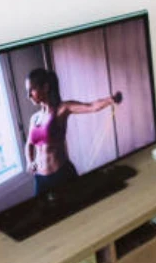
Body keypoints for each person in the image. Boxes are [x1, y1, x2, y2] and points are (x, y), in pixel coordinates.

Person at [24, 68, 123, 196]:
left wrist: (111, 99)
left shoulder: (62, 109)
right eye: (27, 91)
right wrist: (29, 162)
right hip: (40, 179)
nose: (28, 95)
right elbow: (29, 144)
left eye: (32, 89)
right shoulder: (34, 118)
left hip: (60, 175)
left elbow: (91, 106)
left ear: (45, 87)